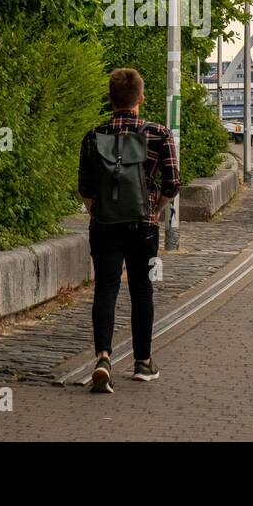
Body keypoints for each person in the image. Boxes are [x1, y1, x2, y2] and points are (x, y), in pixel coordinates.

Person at [77, 68, 180, 394]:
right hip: (143, 227)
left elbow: (85, 186)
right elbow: (173, 182)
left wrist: (99, 211)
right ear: (141, 97)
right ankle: (143, 363)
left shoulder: (94, 136)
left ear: (110, 99)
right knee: (142, 291)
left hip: (105, 226)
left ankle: (104, 359)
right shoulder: (159, 134)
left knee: (105, 289)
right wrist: (156, 209)